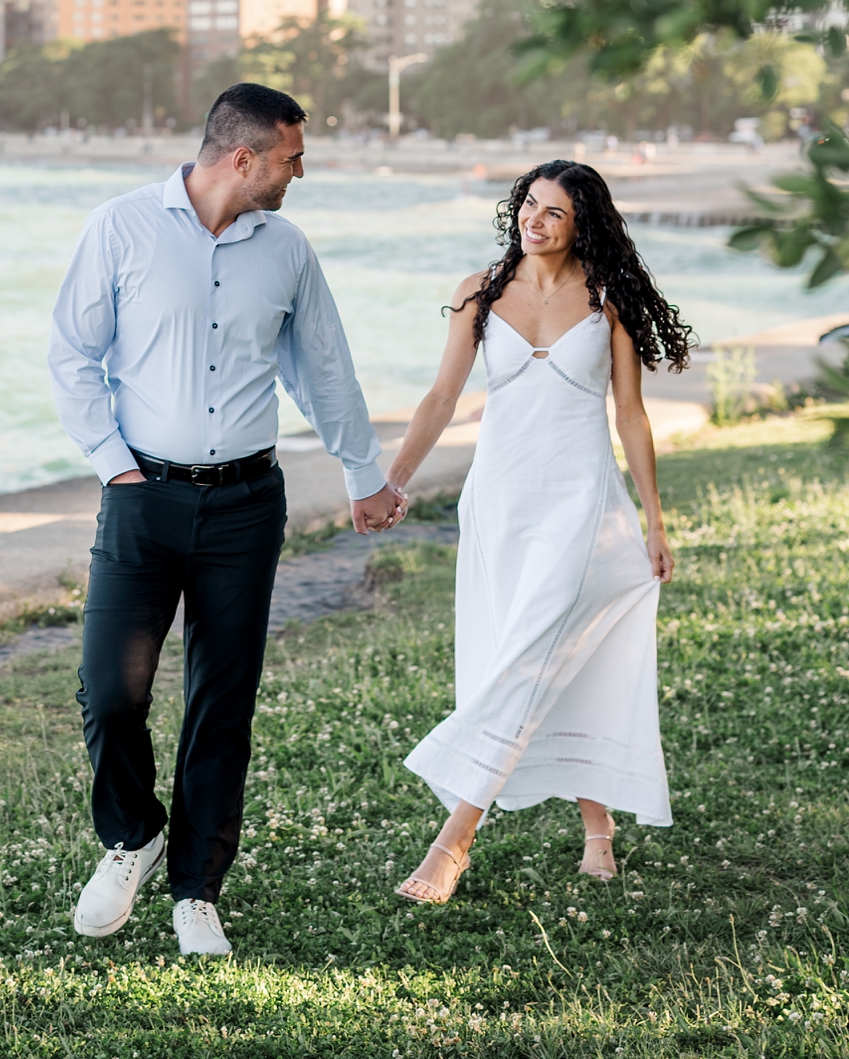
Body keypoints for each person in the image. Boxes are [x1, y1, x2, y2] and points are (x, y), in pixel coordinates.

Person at [49, 82, 405, 957]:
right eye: (292, 157)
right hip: (142, 498)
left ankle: (197, 889)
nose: (299, 172)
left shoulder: (286, 250)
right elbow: (71, 353)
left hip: (247, 504)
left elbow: (325, 367)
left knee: (223, 701)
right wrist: (115, 465)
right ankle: (133, 836)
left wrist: (364, 472)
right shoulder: (122, 227)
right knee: (110, 690)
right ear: (242, 157)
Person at [385, 159, 693, 904]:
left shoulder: (608, 298)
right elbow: (439, 397)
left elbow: (630, 414)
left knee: (533, 653)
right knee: (530, 656)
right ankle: (598, 826)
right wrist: (391, 482)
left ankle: (453, 839)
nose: (536, 220)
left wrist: (655, 519)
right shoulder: (480, 291)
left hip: (583, 503)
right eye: (529, 204)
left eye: (554, 211)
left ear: (581, 222)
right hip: (499, 504)